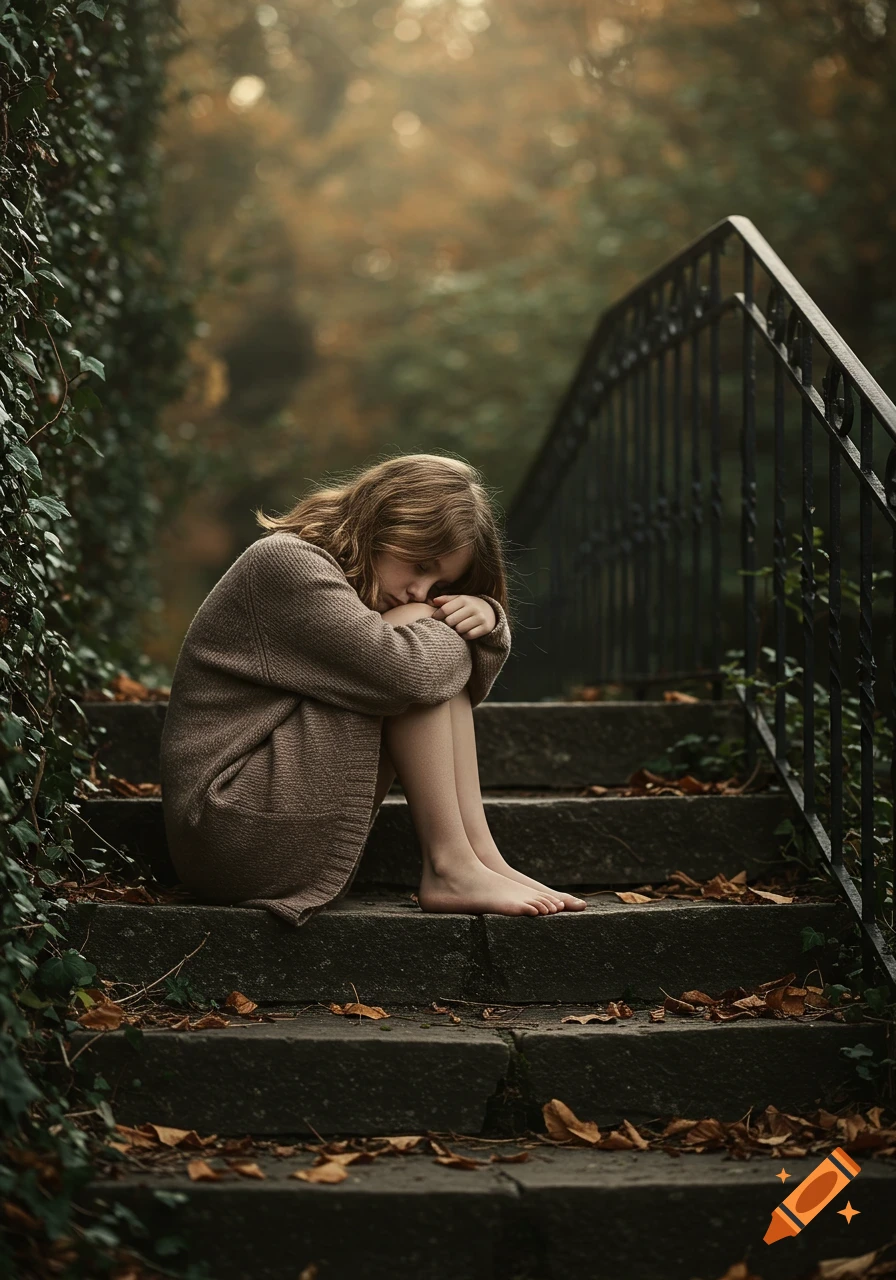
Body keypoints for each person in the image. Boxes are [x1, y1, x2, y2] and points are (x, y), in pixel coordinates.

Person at [160, 452, 587, 928]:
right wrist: (471, 627)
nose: (420, 589)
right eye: (419, 564)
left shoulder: (355, 588)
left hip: (268, 826)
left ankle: (479, 857)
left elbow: (431, 673)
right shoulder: (284, 562)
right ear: (382, 522)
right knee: (413, 646)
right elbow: (407, 673)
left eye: (441, 583)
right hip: (232, 828)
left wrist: (484, 613)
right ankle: (450, 864)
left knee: (420, 640)